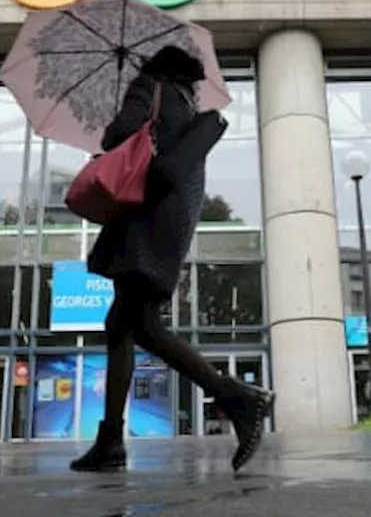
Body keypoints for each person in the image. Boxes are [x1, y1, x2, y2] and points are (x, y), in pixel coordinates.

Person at [70, 45, 274, 474]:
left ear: (155, 67)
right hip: (169, 220)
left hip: (144, 219)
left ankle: (237, 398)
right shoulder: (185, 103)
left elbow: (118, 135)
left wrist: (125, 108)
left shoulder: (148, 87)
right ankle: (110, 441)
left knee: (140, 324)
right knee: (122, 323)